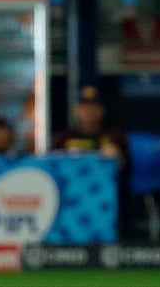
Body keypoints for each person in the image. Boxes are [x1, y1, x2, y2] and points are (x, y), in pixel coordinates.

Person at [52, 85, 130, 238]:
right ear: (77, 110)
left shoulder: (114, 137)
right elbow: (53, 167)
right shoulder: (64, 138)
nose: (89, 112)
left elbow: (125, 168)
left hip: (104, 201)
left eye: (94, 107)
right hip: (71, 199)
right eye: (85, 107)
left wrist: (116, 156)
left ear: (101, 111)